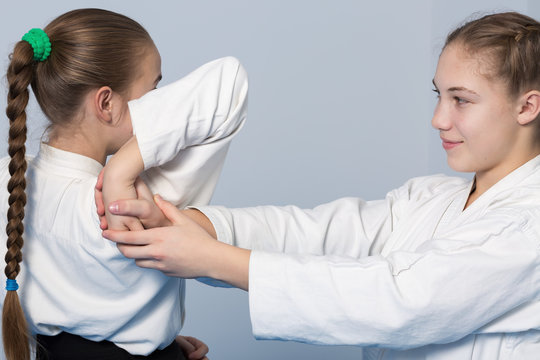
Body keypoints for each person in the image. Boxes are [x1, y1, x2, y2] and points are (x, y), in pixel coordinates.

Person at [101, 11, 540, 359]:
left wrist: (212, 259)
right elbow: (317, 233)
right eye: (438, 95)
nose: (439, 119)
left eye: (461, 100)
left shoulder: (528, 227)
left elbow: (399, 298)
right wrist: (192, 226)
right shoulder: (431, 197)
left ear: (528, 106)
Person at [1, 8, 247, 360]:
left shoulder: (9, 182)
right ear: (106, 103)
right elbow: (230, 80)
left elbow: (78, 308)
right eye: (154, 89)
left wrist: (141, 329)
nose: (160, 103)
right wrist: (121, 172)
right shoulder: (127, 203)